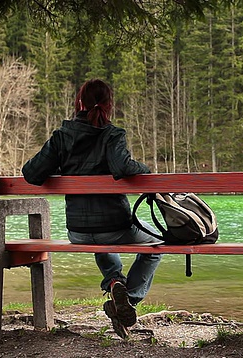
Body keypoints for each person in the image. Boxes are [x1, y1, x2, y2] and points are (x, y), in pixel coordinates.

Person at [22, 79, 163, 339]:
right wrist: (147, 170)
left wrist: (60, 166)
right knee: (155, 245)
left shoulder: (63, 136)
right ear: (110, 106)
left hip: (78, 232)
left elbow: (31, 173)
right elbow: (123, 167)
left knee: (100, 241)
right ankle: (129, 299)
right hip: (115, 226)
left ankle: (113, 282)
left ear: (79, 103)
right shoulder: (112, 134)